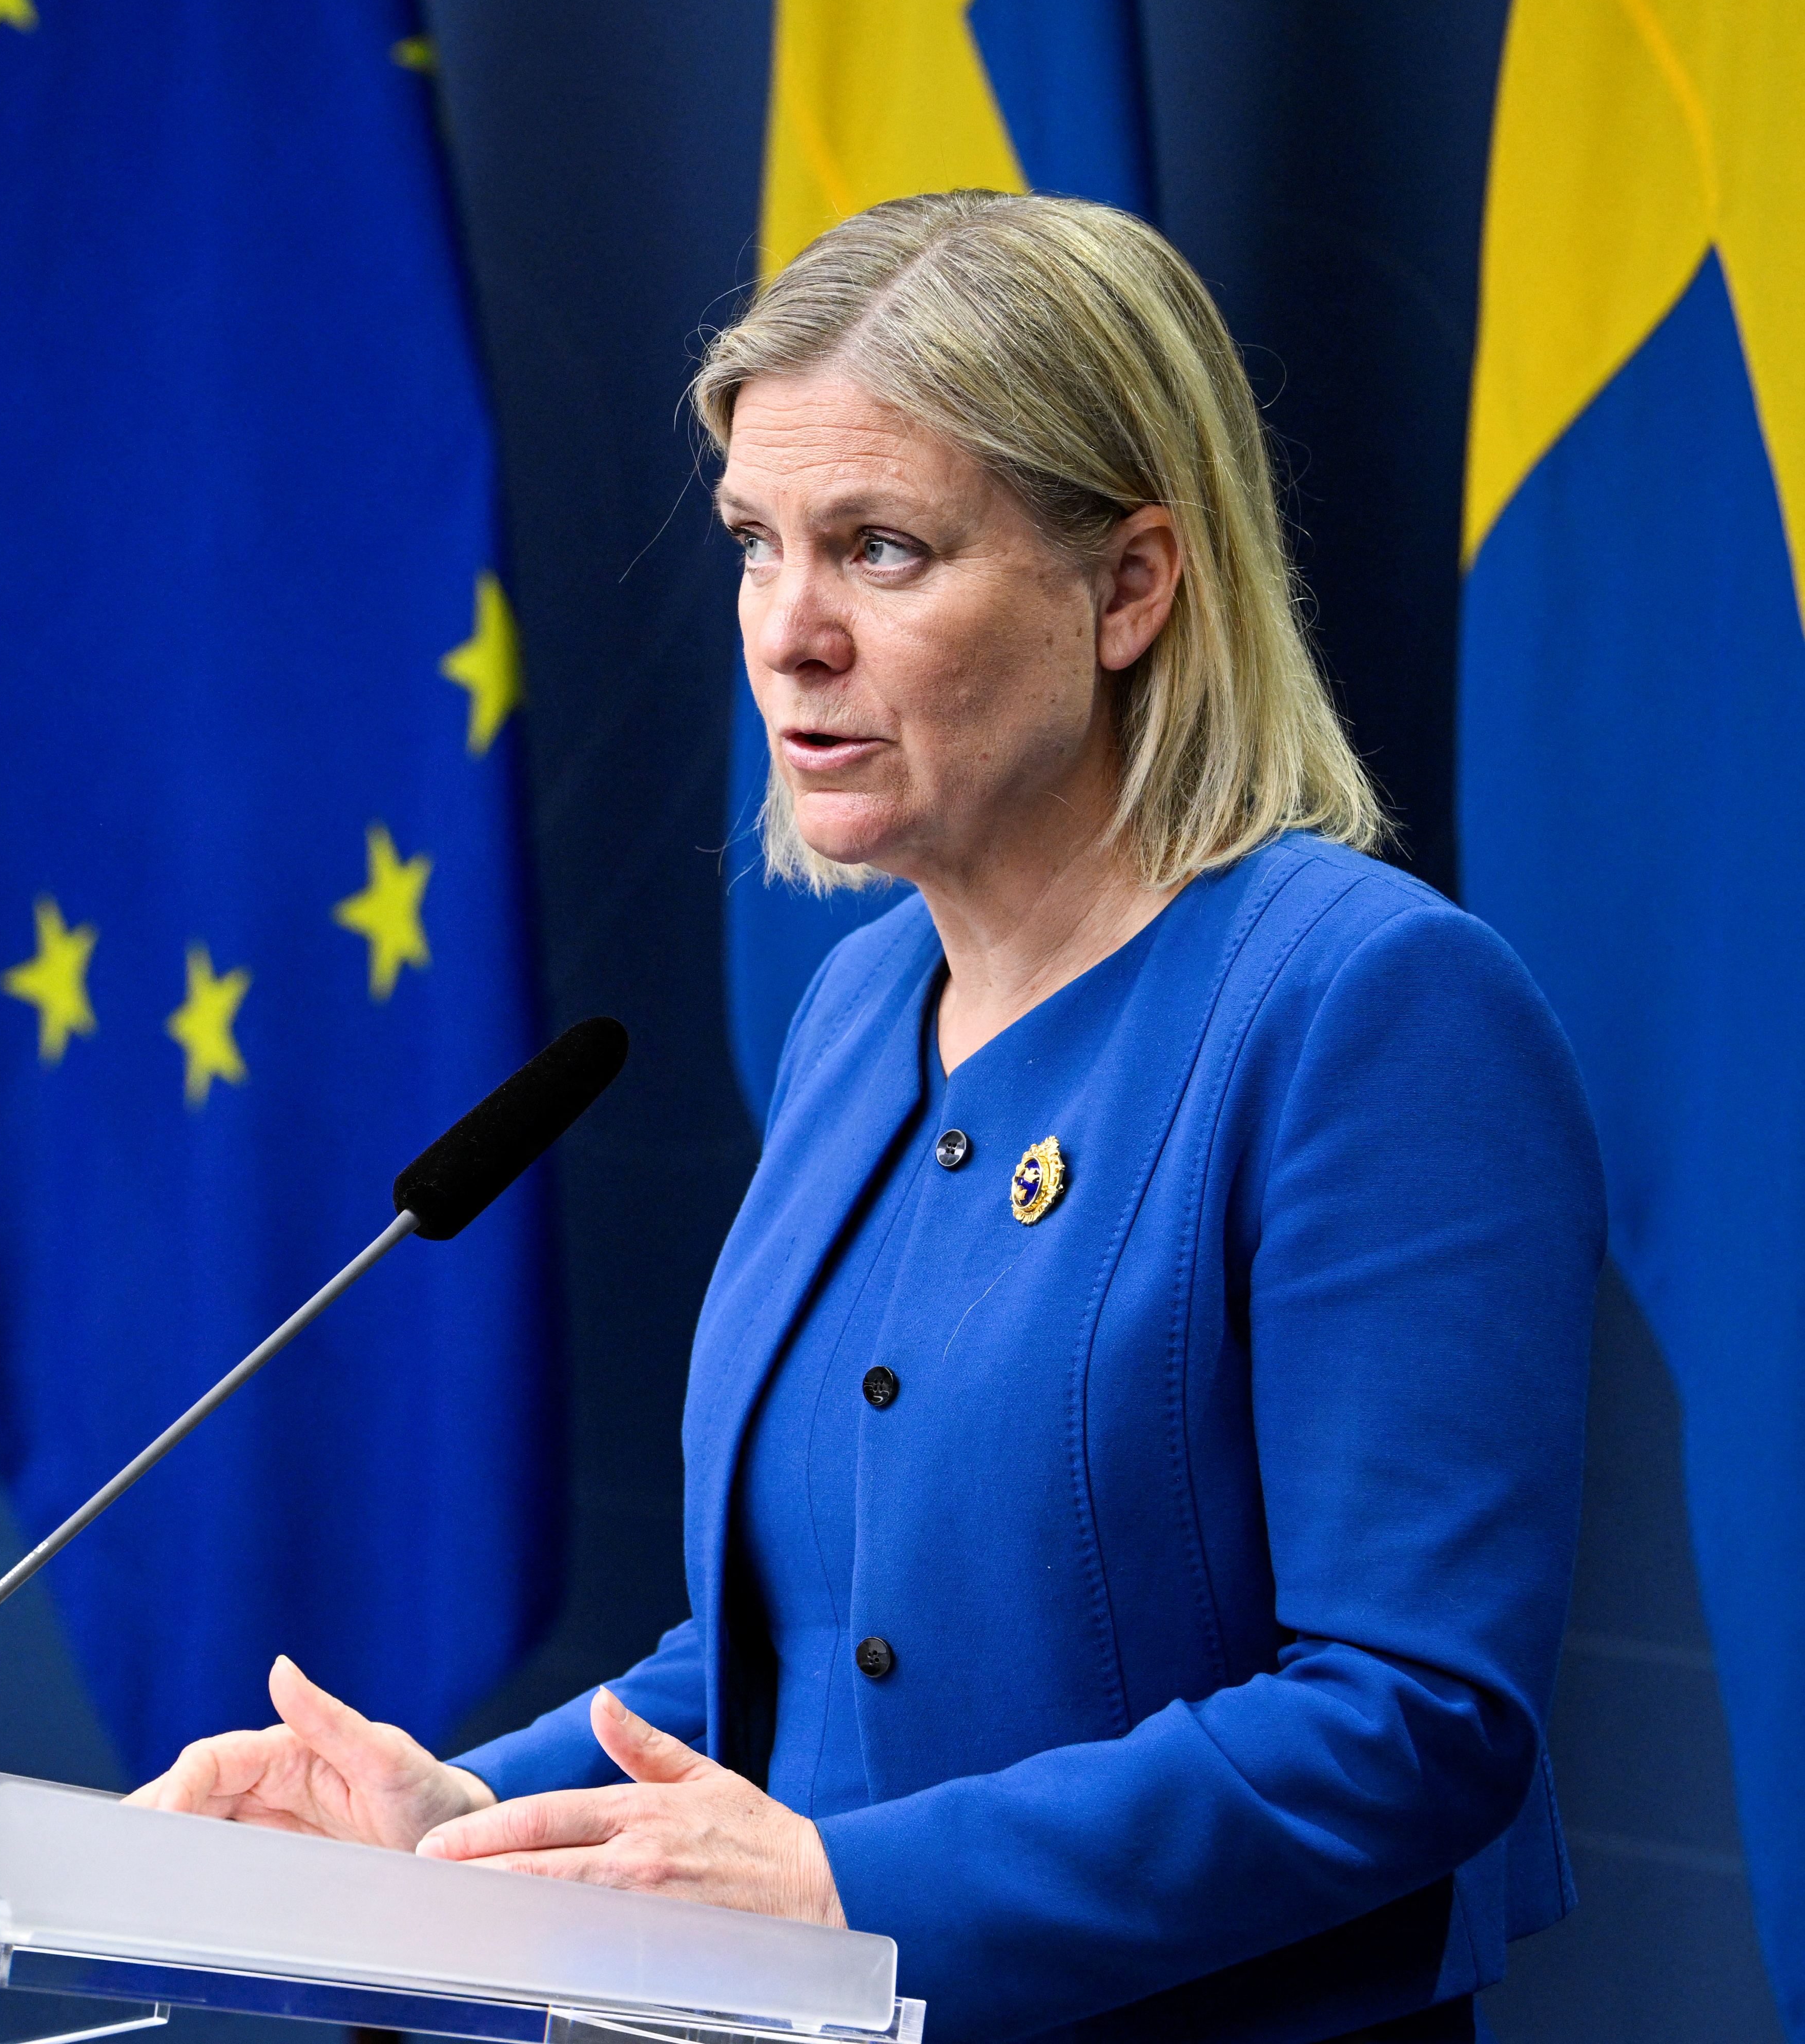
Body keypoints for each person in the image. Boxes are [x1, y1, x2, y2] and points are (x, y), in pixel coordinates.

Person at [129, 193, 1603, 2043]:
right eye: (759, 547)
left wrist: (850, 1894)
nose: (790, 637)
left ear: (1132, 585)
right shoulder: (858, 1009)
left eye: (883, 551)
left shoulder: (1364, 1011)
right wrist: (470, 1825)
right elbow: (800, 1647)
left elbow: (1414, 1719)